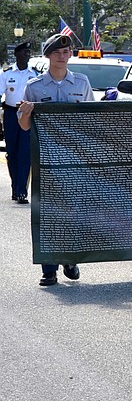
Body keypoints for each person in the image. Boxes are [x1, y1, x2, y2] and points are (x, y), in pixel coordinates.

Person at [17, 34, 95, 287]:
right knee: (47, 213)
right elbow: (24, 125)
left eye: (66, 52)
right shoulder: (35, 86)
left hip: (74, 160)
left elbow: (91, 120)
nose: (62, 56)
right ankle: (48, 268)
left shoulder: (82, 83)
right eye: (57, 52)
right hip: (46, 160)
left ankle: (70, 259)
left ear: (70, 55)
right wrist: (27, 113)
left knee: (73, 212)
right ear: (49, 55)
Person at [1, 41, 38, 203]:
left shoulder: (35, 74)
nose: (27, 55)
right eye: (24, 52)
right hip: (10, 114)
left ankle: (21, 190)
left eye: (28, 52)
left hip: (28, 115)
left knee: (25, 153)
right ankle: (15, 186)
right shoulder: (7, 74)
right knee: (12, 153)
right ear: (16, 54)